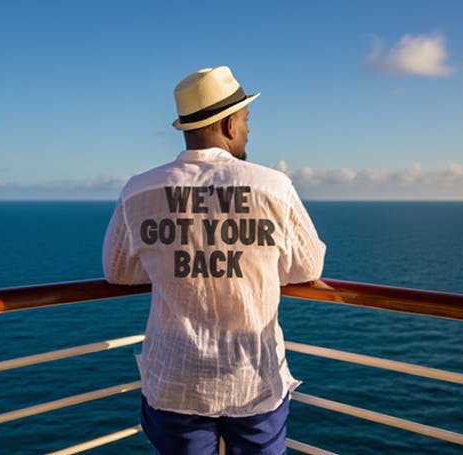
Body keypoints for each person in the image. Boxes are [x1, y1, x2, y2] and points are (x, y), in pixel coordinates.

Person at [102, 66, 327, 455]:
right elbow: (307, 266)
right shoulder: (272, 186)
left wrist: (172, 261)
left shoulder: (141, 190)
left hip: (176, 379)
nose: (248, 130)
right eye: (245, 120)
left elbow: (118, 270)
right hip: (254, 378)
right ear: (226, 125)